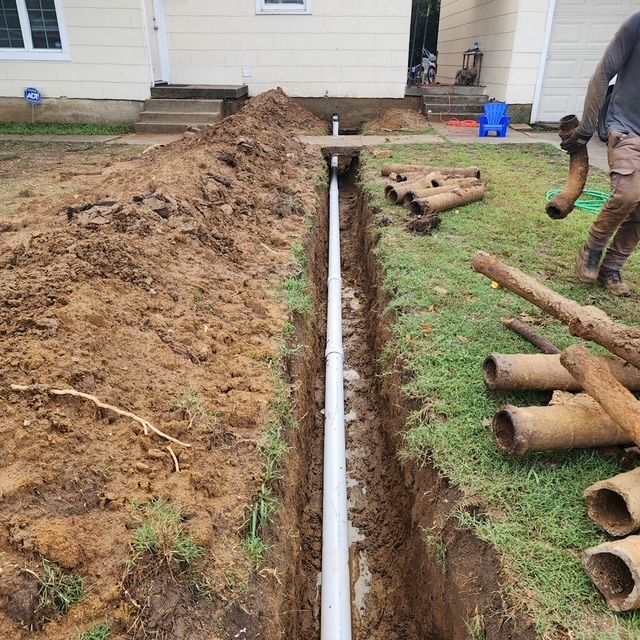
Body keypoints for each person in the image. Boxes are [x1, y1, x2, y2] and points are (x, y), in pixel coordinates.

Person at [562, 10, 640, 296]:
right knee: (628, 193)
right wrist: (586, 127)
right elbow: (603, 72)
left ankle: (612, 268)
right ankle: (592, 249)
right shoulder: (638, 23)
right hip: (627, 128)